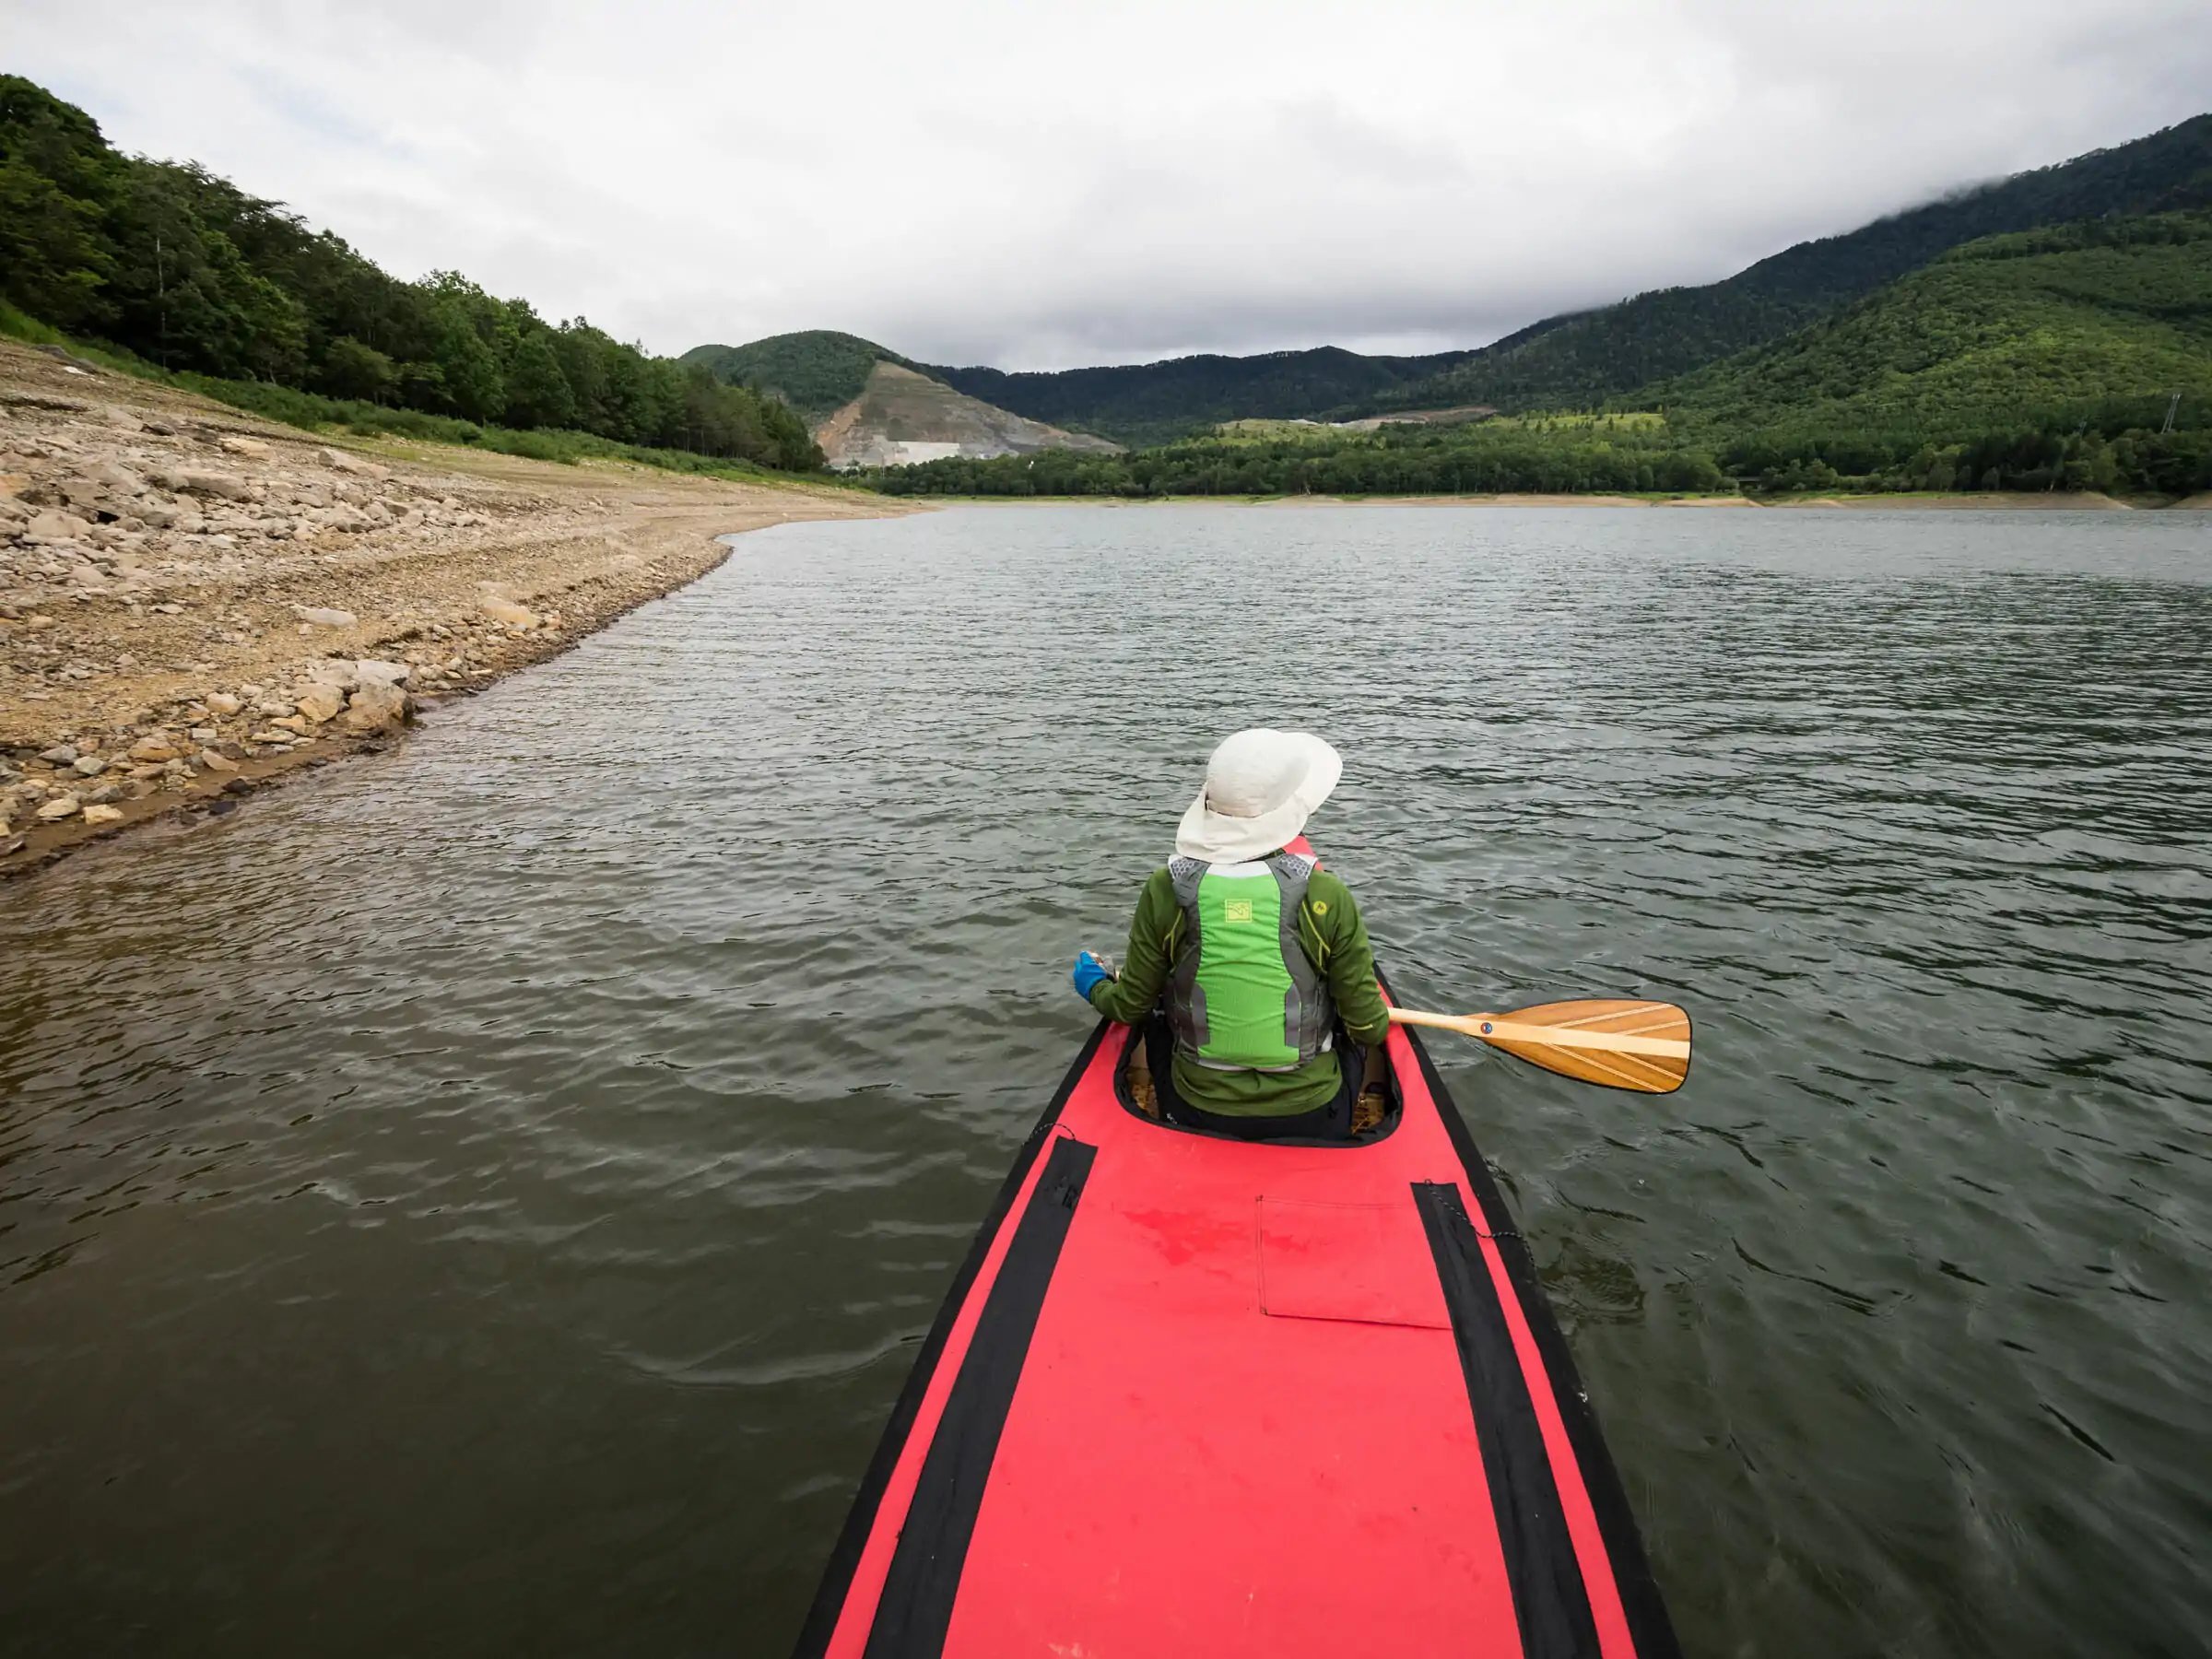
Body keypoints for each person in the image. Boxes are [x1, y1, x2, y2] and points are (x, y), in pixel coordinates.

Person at [1073, 729, 1390, 1141]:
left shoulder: (1164, 888)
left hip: (1194, 1107)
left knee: (1159, 1010)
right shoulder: (1326, 894)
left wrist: (1096, 987)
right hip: (1313, 1112)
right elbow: (1369, 1029)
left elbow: (1130, 1006)